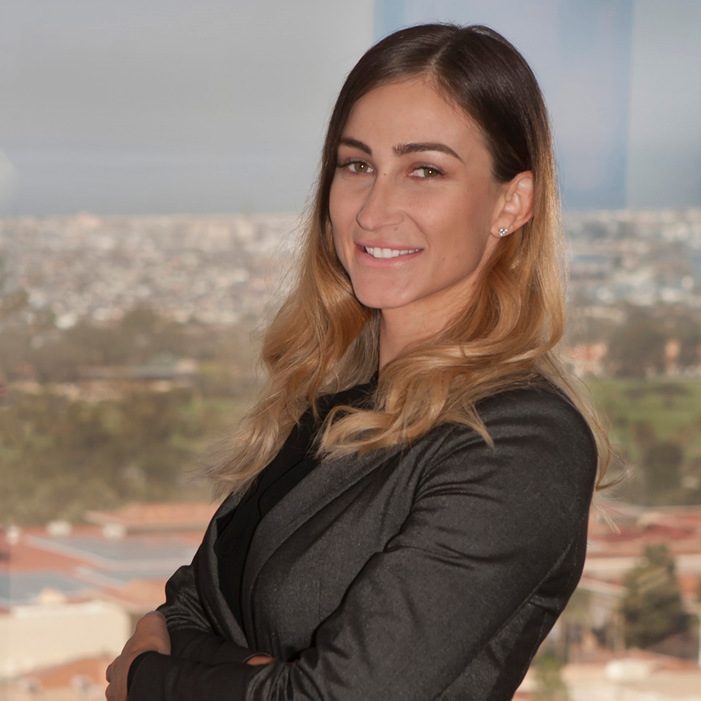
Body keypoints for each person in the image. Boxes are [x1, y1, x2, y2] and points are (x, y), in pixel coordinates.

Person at [106, 22, 607, 700]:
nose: (373, 209)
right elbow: (189, 603)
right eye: (357, 165)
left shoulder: (520, 439)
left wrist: (148, 678)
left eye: (424, 170)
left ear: (511, 202)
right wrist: (255, 677)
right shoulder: (332, 403)